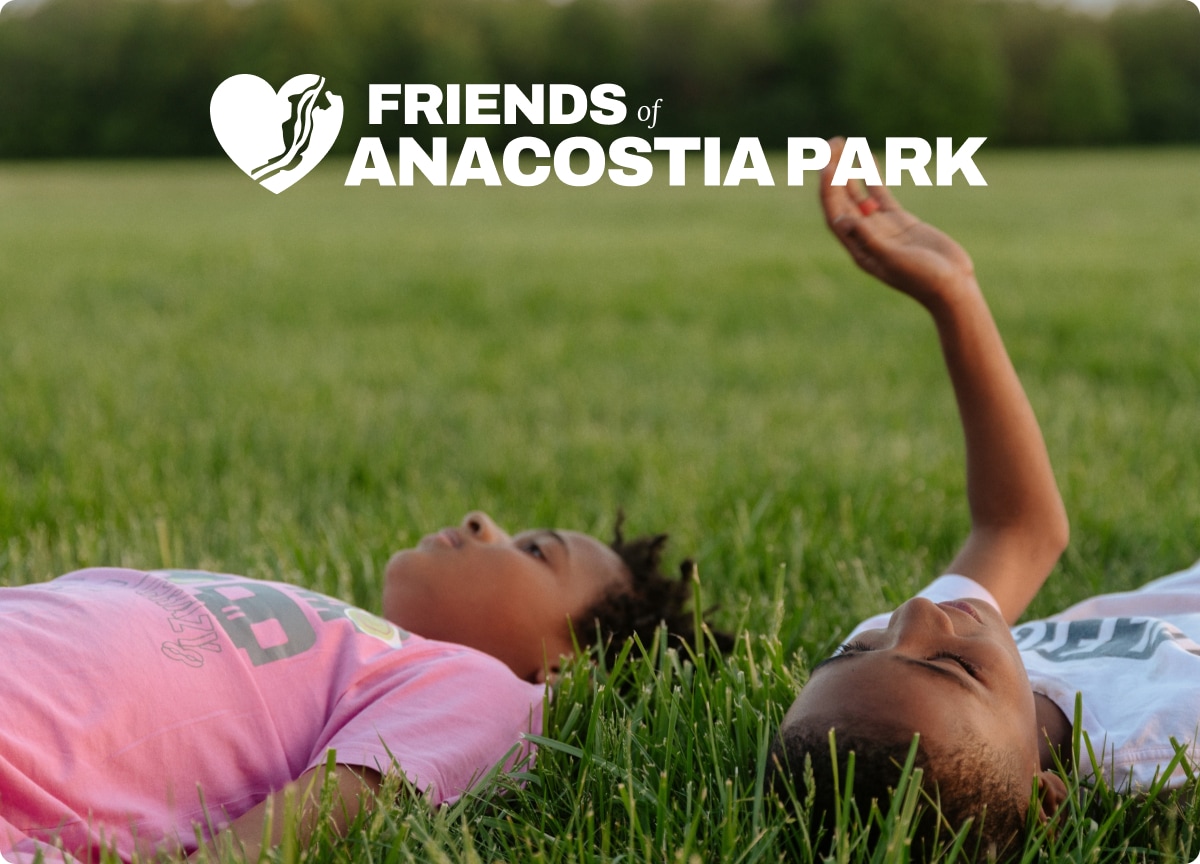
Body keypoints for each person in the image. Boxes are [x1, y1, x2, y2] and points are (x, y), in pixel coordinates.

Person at [770, 137, 1200, 859]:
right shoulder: (1160, 745)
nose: (914, 613)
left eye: (852, 648)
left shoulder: (921, 674)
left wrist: (953, 294)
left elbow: (1019, 530)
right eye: (949, 664)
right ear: (1046, 799)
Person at [0, 510, 705, 863]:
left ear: (560, 668)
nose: (481, 522)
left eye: (532, 550)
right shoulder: (356, 640)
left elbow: (329, 803)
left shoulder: (485, 689)